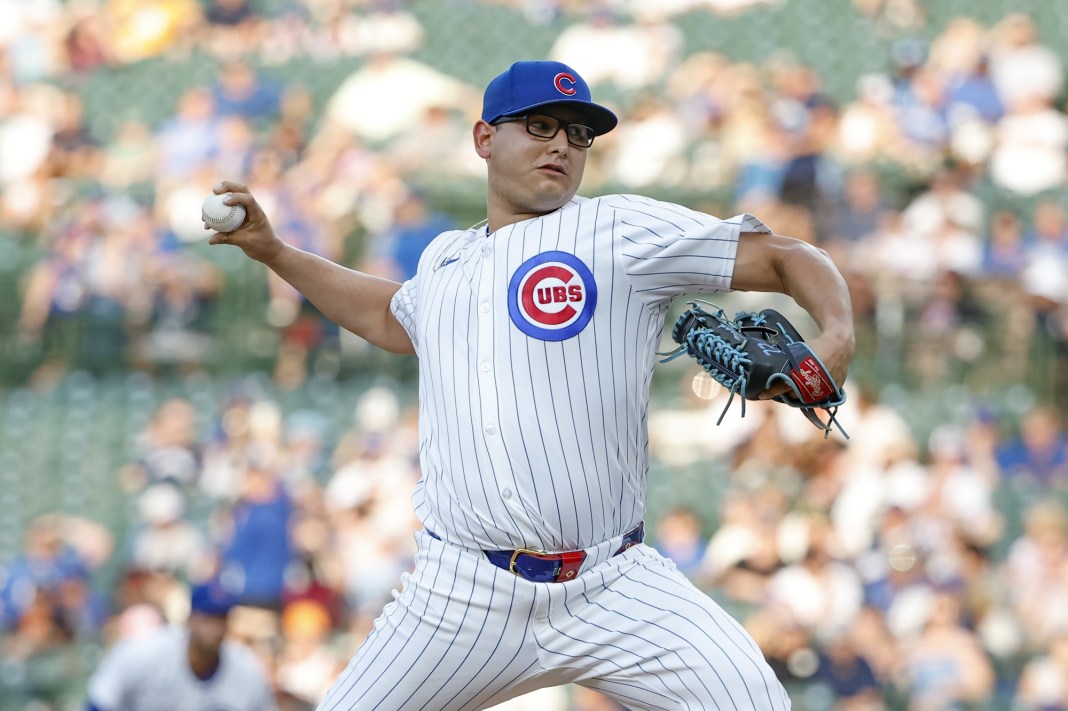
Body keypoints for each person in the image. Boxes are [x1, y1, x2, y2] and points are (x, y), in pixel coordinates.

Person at [207, 60, 854, 710]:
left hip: (612, 581)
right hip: (461, 591)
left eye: (577, 134)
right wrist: (275, 252)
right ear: (484, 138)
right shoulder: (445, 258)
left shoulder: (617, 228)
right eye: (540, 125)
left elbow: (785, 256)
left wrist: (836, 336)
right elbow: (387, 314)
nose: (561, 145)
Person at [85, 580, 275, 711]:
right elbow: (99, 702)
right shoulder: (144, 653)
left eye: (221, 618)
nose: (214, 627)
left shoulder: (246, 668)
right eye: (207, 618)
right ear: (189, 620)